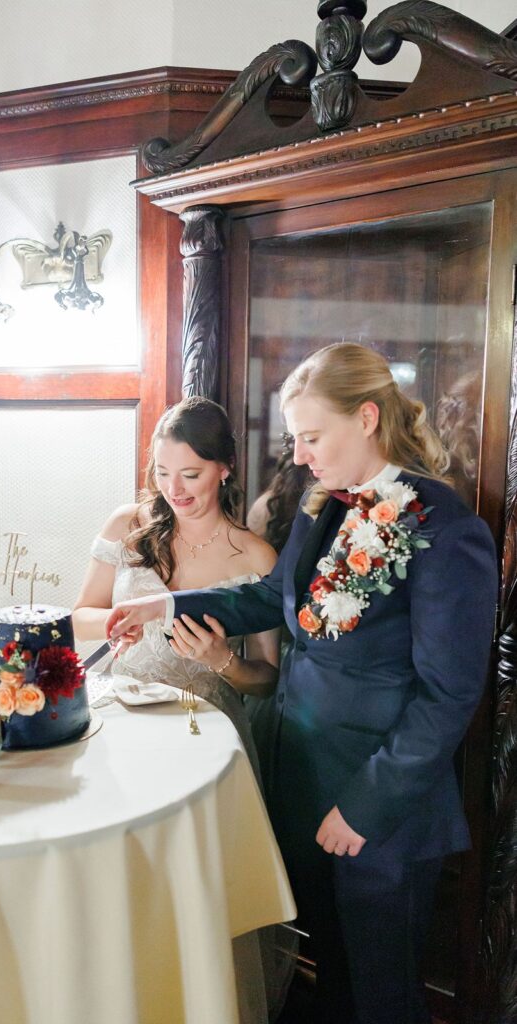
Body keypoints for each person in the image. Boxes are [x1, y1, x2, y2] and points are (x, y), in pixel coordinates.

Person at [106, 343, 498, 1024]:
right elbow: (269, 596)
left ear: (368, 417)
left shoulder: (444, 527)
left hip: (380, 805)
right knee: (334, 980)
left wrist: (365, 808)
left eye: (311, 436)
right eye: (295, 437)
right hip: (305, 777)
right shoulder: (324, 508)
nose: (299, 454)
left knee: (383, 996)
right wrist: (165, 605)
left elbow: (449, 695)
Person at [73, 396, 285, 1024]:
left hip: (203, 736)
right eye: (162, 474)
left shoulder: (255, 557)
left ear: (224, 467)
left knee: (182, 884)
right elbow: (79, 613)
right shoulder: (128, 524)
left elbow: (267, 681)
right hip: (118, 717)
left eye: (190, 475)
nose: (174, 490)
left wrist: (223, 660)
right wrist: (112, 623)